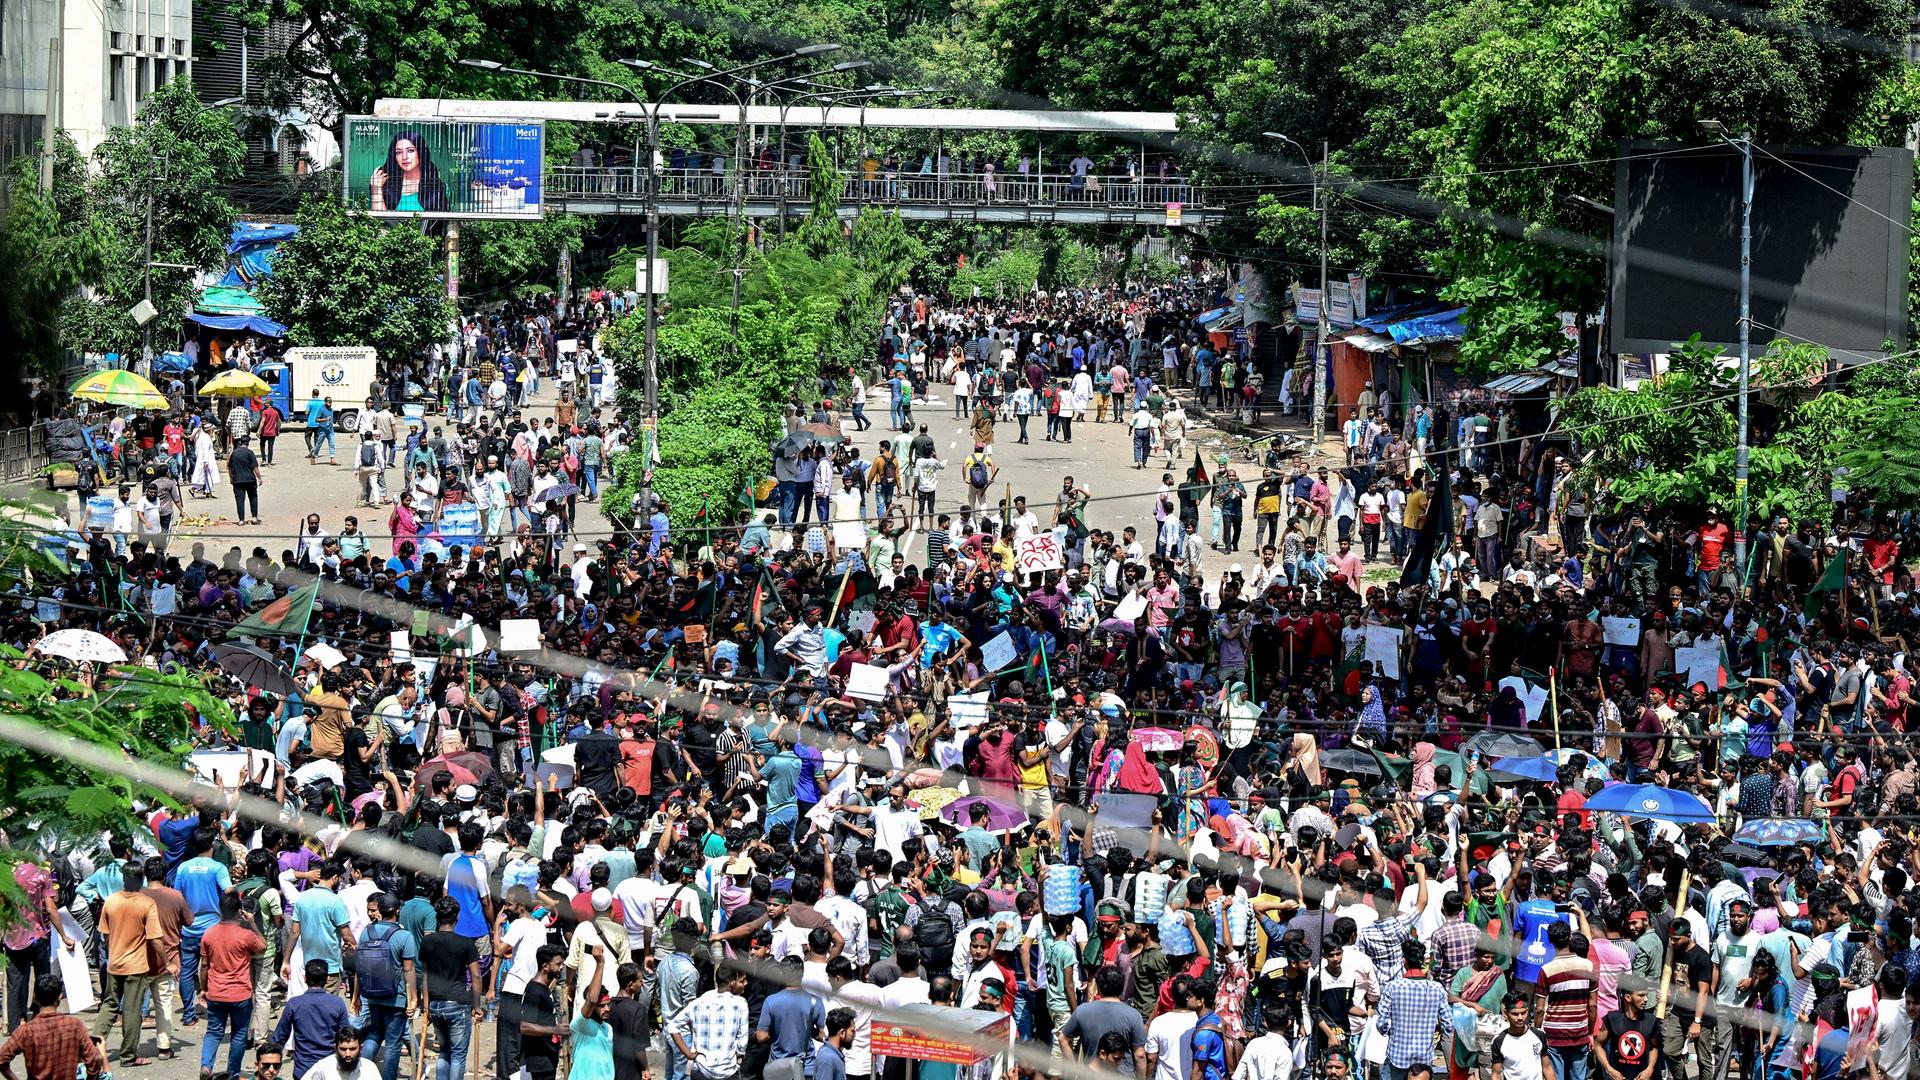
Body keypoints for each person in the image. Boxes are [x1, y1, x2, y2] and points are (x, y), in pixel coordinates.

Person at [0, 981, 107, 1080]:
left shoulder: (26, 1030)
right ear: (60, 997)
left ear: (35, 997)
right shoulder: (74, 1025)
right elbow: (93, 1060)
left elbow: (2, 1060)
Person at [369, 132, 450, 213]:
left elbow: (441, 223)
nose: (404, 157)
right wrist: (376, 189)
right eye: (399, 152)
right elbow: (379, 222)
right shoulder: (385, 184)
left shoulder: (439, 188)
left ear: (420, 152)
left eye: (410, 151)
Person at [229, 433, 261, 523]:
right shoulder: (250, 453)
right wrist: (259, 478)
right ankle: (254, 517)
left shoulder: (234, 453)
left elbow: (230, 467)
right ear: (248, 443)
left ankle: (241, 520)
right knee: (253, 497)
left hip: (237, 480)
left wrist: (231, 478)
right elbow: (255, 467)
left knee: (239, 500)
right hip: (250, 479)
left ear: (240, 442)